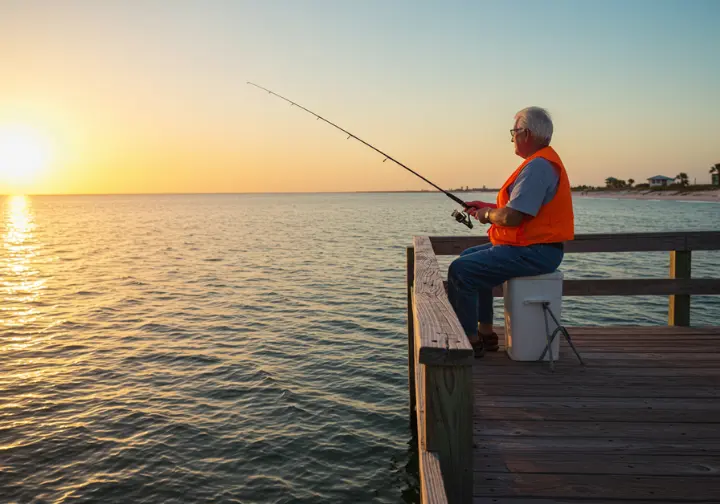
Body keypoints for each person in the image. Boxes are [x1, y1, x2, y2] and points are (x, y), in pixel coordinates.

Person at [447, 107, 574, 357]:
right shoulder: (540, 163)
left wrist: (487, 215)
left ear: (526, 133)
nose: (512, 138)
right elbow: (519, 209)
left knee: (460, 271)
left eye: (513, 132)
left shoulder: (538, 166)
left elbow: (512, 217)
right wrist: (487, 207)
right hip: (533, 248)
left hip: (535, 252)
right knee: (468, 258)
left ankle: (468, 343)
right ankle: (485, 332)